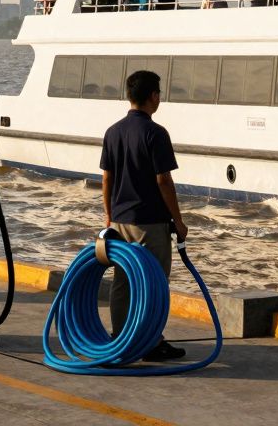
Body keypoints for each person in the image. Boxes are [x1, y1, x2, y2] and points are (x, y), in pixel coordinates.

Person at [100, 70, 188, 361]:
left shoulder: (112, 131)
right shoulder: (155, 133)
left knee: (123, 280)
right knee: (154, 283)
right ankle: (151, 341)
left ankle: (119, 336)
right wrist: (178, 220)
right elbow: (164, 181)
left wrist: (109, 216)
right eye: (159, 94)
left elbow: (106, 179)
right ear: (153, 96)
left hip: (121, 221)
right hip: (150, 223)